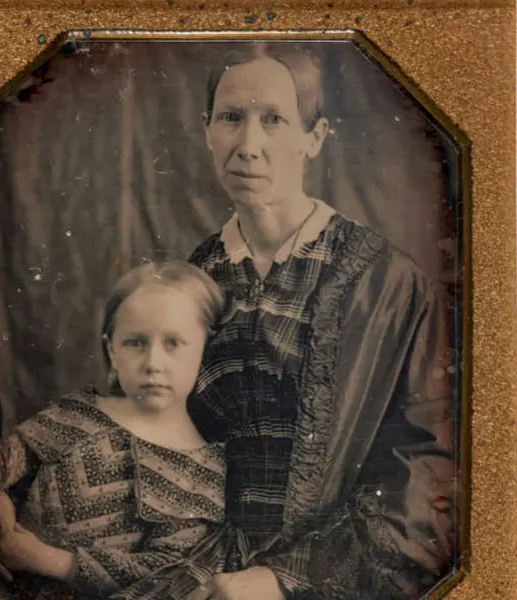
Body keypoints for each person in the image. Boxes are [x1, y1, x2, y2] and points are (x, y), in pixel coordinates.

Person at [133, 42, 457, 600]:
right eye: (231, 117)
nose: (248, 146)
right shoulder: (193, 279)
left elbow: (429, 472)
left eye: (274, 120)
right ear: (208, 130)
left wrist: (281, 581)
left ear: (314, 137)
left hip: (326, 575)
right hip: (199, 566)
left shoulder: (388, 285)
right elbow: (137, 419)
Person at [0, 260, 229, 600]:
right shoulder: (80, 414)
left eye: (174, 343)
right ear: (111, 350)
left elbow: (165, 573)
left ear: (205, 352)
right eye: (135, 342)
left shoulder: (203, 473)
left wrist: (47, 560)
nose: (153, 363)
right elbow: (6, 459)